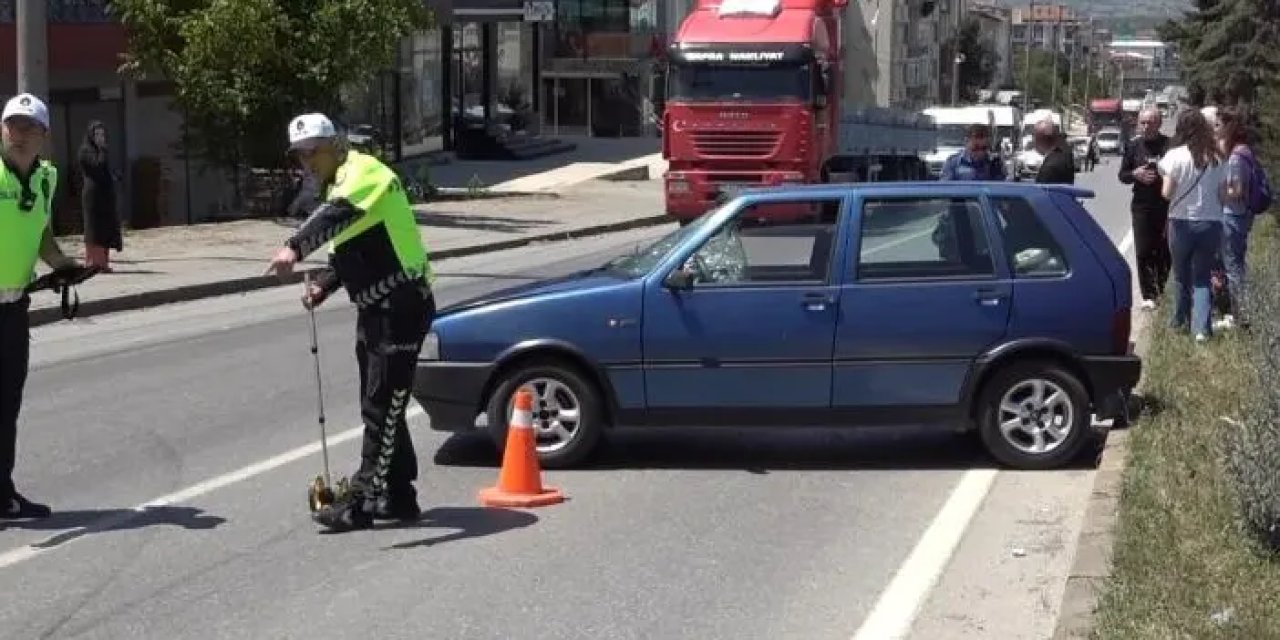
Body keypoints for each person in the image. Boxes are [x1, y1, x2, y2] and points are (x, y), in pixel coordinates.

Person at [265, 113, 436, 532]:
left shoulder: (364, 171)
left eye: (314, 152)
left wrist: (294, 247)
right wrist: (323, 285)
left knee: (384, 405)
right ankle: (399, 495)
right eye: (301, 155)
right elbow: (350, 248)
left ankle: (361, 501)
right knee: (378, 403)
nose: (308, 163)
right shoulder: (338, 182)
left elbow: (337, 216)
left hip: (403, 305)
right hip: (377, 308)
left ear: (335, 145)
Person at [0, 93, 84, 519]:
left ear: (45, 136)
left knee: (7, 404)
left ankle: (2, 495)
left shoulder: (46, 178)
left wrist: (66, 266)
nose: (20, 134)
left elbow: (41, 237)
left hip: (13, 307)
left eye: (29, 127)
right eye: (13, 125)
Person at [1158, 108, 1229, 343]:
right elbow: (1223, 196)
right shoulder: (1217, 157)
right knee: (1202, 276)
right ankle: (1201, 328)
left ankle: (1179, 320)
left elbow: (1166, 193)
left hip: (1182, 222)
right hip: (1211, 223)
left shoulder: (1175, 156)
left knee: (1180, 275)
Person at [1214, 106, 1263, 331]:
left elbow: (1238, 191)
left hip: (1233, 216)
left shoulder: (1235, 157)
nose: (1215, 129)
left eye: (1218, 125)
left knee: (1233, 266)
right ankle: (1241, 312)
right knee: (1237, 264)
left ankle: (1240, 315)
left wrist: (1219, 192)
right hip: (1242, 216)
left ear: (1229, 127)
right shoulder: (1245, 150)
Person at [1118, 107, 1171, 310]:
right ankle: (1148, 295)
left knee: (1164, 251)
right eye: (1143, 122)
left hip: (1165, 205)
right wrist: (1135, 174)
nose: (1146, 126)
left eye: (1150, 122)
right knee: (1143, 251)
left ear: (1158, 124)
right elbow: (1122, 176)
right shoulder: (1133, 146)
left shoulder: (1168, 145)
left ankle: (1162, 290)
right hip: (1141, 206)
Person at [78, 120, 122, 272]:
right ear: (91, 136)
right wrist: (103, 151)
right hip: (93, 197)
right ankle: (94, 263)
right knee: (95, 228)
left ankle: (103, 263)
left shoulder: (102, 151)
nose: (100, 138)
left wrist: (114, 176)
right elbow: (96, 167)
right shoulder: (85, 151)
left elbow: (104, 171)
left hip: (105, 196)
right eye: (97, 134)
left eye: (102, 134)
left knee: (106, 228)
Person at [938, 124, 1007, 181]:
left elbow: (1001, 188)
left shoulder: (995, 163)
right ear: (966, 142)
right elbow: (945, 189)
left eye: (984, 149)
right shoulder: (953, 162)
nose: (980, 153)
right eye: (975, 149)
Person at [1033, 119, 1076, 184]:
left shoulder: (1049, 168)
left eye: (1035, 139)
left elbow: (1041, 191)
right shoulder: (1065, 153)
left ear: (1041, 140)